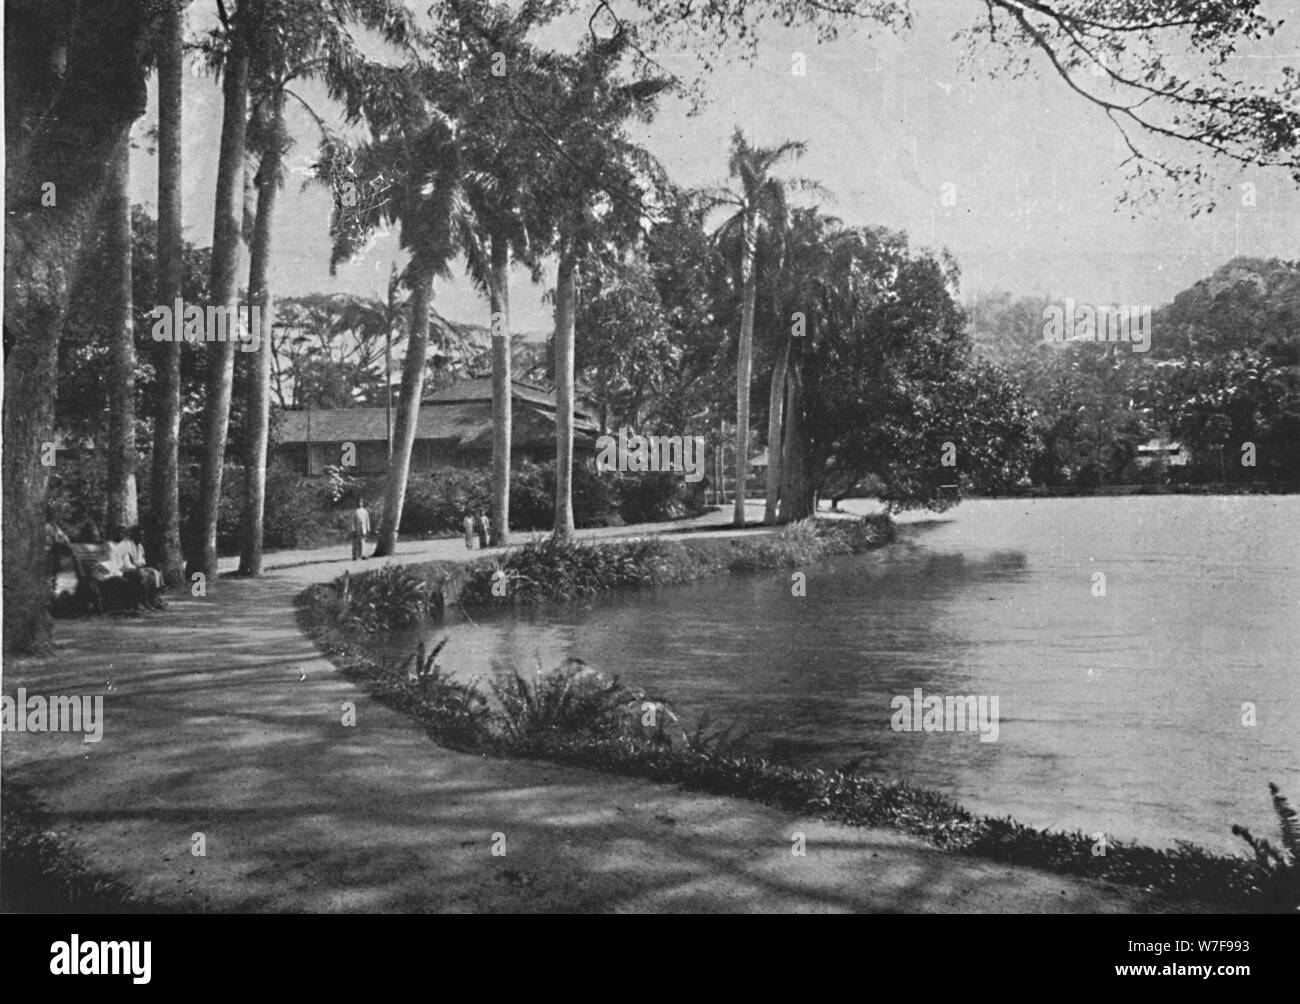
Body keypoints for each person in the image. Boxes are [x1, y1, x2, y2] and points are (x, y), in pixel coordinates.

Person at [123, 525, 165, 610]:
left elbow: (142, 561)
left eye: (143, 535)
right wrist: (137, 565)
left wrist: (140, 565)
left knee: (156, 572)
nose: (142, 537)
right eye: (140, 535)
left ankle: (154, 599)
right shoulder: (126, 545)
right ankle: (144, 600)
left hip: (138, 567)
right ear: (133, 535)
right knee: (144, 574)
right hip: (128, 570)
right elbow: (126, 562)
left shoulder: (140, 546)